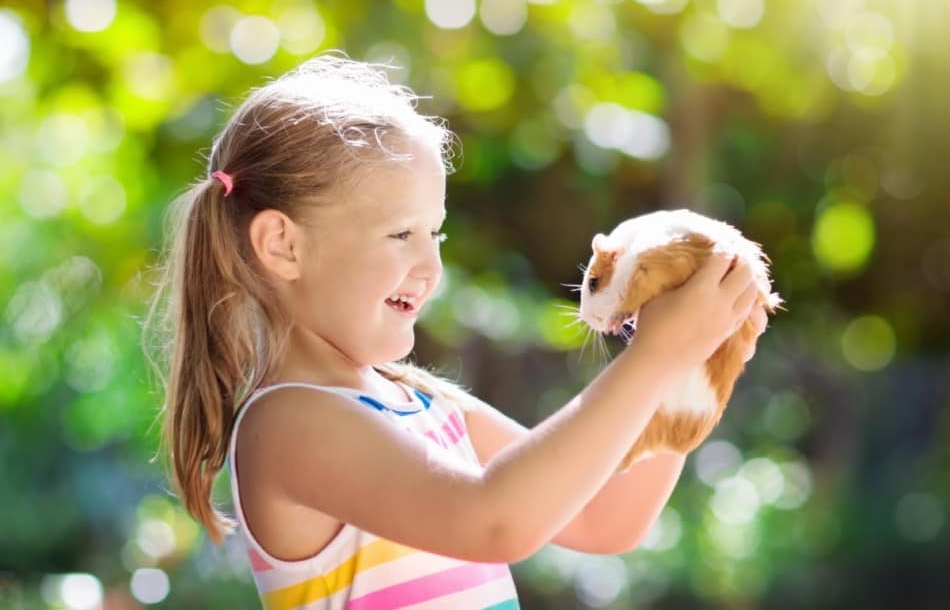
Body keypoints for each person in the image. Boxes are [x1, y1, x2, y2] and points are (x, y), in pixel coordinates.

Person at [142, 49, 767, 609]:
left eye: (434, 233)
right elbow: (494, 521)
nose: (431, 265)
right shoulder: (289, 423)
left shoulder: (424, 405)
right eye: (401, 234)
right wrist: (653, 359)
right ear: (282, 245)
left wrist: (695, 361)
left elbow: (606, 519)